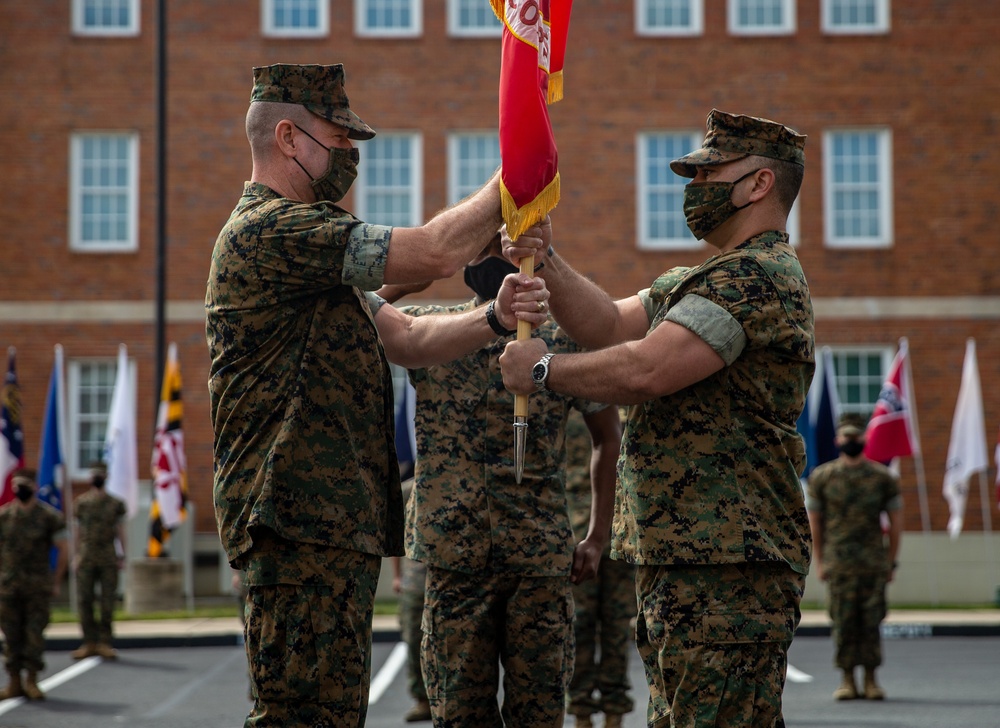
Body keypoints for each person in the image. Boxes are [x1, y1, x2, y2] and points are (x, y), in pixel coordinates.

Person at [206, 63, 549, 727]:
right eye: (339, 138)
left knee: (331, 715)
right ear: (288, 138)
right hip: (293, 522)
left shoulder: (311, 254)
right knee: (297, 716)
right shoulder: (271, 231)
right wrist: (519, 174)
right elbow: (433, 253)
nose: (351, 156)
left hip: (329, 527)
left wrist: (495, 319)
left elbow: (407, 339)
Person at [500, 109, 814, 727]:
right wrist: (547, 257)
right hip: (690, 562)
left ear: (759, 185)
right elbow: (607, 327)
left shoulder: (759, 280)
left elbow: (646, 370)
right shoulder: (700, 279)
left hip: (730, 571)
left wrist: (544, 372)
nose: (693, 191)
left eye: (709, 175)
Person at [376, 240, 622, 728]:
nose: (491, 261)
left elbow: (608, 439)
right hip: (455, 563)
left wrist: (598, 534)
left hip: (539, 564)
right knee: (459, 715)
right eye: (479, 250)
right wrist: (404, 279)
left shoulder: (563, 341)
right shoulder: (430, 329)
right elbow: (351, 318)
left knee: (540, 714)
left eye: (504, 250)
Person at [806, 412, 902, 701]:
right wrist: (820, 561)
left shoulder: (882, 477)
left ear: (864, 438)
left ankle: (871, 680)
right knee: (843, 622)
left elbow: (896, 521)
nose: (851, 440)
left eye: (856, 436)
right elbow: (815, 523)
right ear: (838, 439)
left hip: (872, 562)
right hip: (839, 563)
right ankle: (847, 679)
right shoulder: (822, 477)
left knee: (871, 621)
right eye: (846, 436)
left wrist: (891, 561)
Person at [563, 408, 635, 728]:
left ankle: (609, 711)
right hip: (589, 532)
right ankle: (587, 712)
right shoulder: (617, 411)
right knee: (586, 627)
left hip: (612, 533)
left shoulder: (621, 410)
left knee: (611, 627)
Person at [0, 468, 68, 701]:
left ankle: (31, 680)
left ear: (35, 487)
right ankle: (13, 682)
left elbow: (62, 549)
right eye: (17, 484)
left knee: (34, 634)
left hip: (37, 587)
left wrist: (56, 580)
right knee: (10, 635)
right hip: (8, 587)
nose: (20, 489)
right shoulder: (4, 516)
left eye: (25, 484)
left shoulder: (48, 517)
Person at [71, 461, 127, 661]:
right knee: (84, 600)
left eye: (100, 474)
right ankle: (89, 642)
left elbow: (121, 531)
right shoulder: (81, 503)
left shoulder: (115, 504)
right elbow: (77, 532)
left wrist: (123, 555)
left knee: (107, 601)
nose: (96, 478)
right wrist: (76, 555)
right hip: (86, 556)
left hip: (108, 557)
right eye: (94, 474)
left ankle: (105, 642)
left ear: (106, 477)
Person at [391, 479, 431, 723]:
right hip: (415, 578)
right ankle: (422, 699)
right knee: (414, 639)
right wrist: (397, 576)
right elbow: (396, 537)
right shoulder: (407, 490)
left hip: (448, 575)